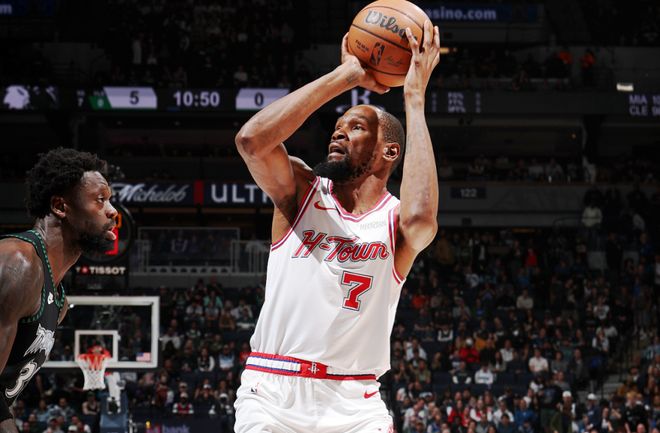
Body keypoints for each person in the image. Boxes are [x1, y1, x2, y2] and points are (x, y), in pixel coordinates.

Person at [233, 21, 441, 433]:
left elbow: (422, 220)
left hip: (354, 401)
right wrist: (344, 77)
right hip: (273, 391)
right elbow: (251, 142)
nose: (339, 133)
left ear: (389, 152)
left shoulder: (395, 222)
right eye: (337, 128)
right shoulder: (301, 191)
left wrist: (414, 100)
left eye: (356, 127)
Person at [0, 148, 117, 433]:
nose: (112, 211)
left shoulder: (59, 300)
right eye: (100, 199)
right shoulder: (18, 264)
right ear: (60, 207)